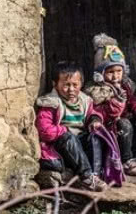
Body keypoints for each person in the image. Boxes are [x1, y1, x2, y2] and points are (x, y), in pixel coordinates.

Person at [85, 34, 136, 177]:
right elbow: (97, 111)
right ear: (100, 73)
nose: (115, 76)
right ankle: (126, 159)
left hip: (124, 124)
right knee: (125, 124)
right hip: (109, 127)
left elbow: (131, 102)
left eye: (118, 71)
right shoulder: (97, 91)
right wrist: (114, 105)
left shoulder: (125, 86)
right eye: (110, 72)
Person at [34, 61, 111, 191]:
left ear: (81, 84)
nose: (71, 89)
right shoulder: (51, 103)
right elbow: (44, 130)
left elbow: (93, 113)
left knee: (95, 137)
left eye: (75, 85)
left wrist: (94, 120)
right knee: (69, 138)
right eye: (66, 85)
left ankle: (96, 174)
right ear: (55, 84)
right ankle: (87, 177)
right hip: (61, 145)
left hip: (79, 144)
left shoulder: (85, 101)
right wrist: (65, 130)